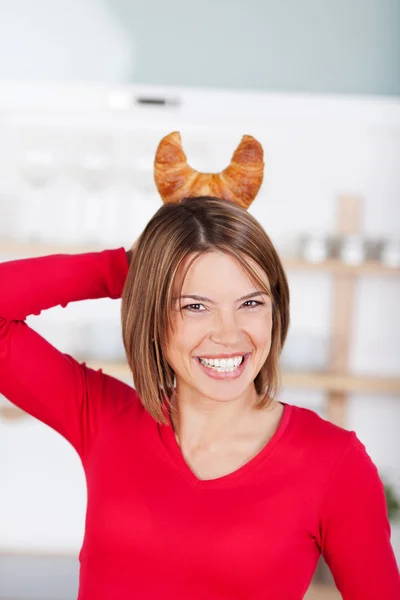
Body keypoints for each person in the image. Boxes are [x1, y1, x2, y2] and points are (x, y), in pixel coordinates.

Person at [0, 196, 399, 600]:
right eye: (195, 306)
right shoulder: (103, 418)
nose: (228, 334)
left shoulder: (334, 463)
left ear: (275, 309)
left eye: (250, 303)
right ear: (153, 315)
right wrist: (125, 267)